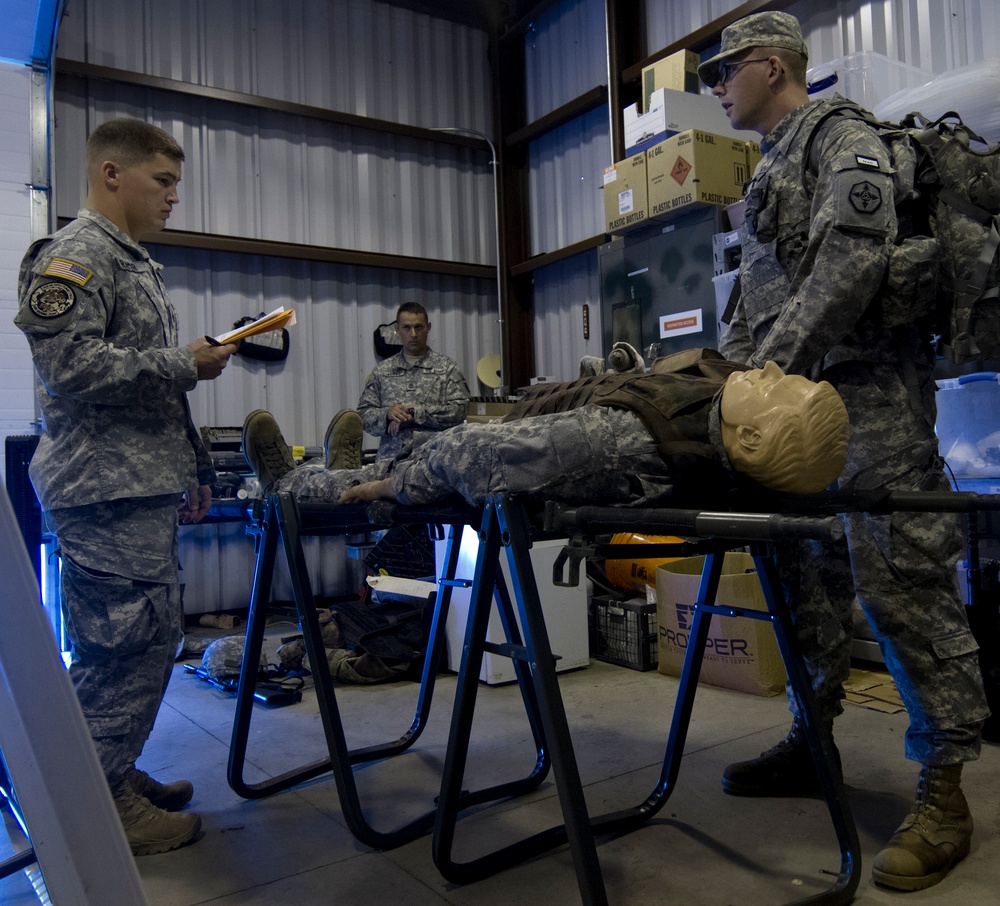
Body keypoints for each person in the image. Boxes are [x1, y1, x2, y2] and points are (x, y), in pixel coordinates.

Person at [697, 11, 989, 892]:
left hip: (867, 405)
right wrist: (728, 384)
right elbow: (760, 293)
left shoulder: (843, 137)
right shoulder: (772, 162)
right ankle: (809, 736)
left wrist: (770, 373)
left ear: (775, 64)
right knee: (798, 577)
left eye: (725, 70)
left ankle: (944, 790)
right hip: (792, 414)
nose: (715, 88)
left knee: (903, 585)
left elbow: (851, 266)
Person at [14, 117, 237, 856]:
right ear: (112, 173)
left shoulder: (133, 262)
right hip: (100, 488)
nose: (175, 196)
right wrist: (184, 362)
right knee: (124, 643)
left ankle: (105, 767)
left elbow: (154, 396)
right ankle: (96, 796)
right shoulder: (76, 255)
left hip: (135, 483)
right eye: (163, 181)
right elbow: (70, 370)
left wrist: (196, 471)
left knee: (140, 638)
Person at [241, 348, 850, 512]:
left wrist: (399, 483)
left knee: (380, 475)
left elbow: (477, 457)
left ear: (749, 441)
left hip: (477, 449)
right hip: (535, 418)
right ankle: (337, 467)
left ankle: (290, 485)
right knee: (402, 459)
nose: (770, 368)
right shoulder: (720, 399)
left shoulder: (615, 443)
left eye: (779, 388)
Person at [357, 301, 470, 461]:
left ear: (428, 327)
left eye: (419, 327)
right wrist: (387, 414)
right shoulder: (382, 370)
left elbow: (460, 410)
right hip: (391, 462)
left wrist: (417, 413)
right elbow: (363, 414)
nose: (413, 334)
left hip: (435, 460)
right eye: (406, 328)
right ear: (397, 329)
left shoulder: (447, 368)